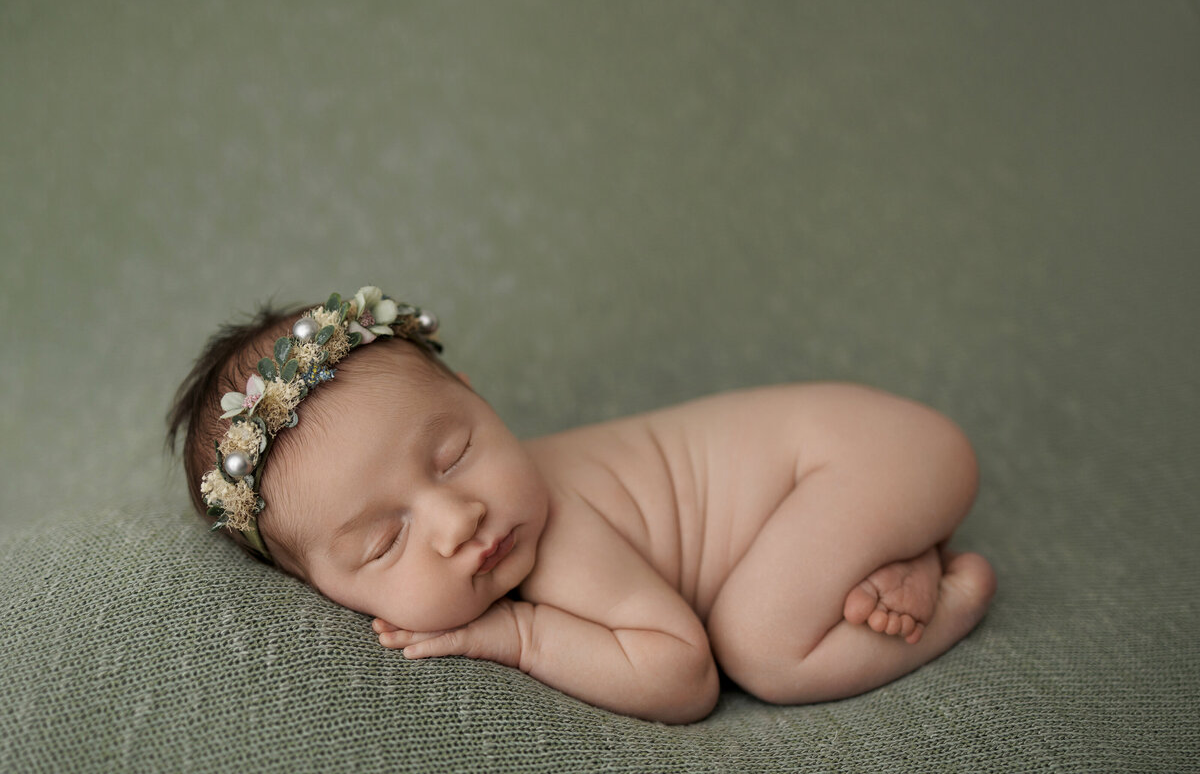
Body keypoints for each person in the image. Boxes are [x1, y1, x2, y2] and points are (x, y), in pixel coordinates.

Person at [167, 286, 996, 725]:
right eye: (386, 541)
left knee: (763, 644)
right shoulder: (496, 516)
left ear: (478, 398)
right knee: (776, 602)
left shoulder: (556, 526)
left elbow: (682, 674)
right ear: (318, 587)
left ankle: (953, 590)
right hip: (858, 468)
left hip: (864, 458)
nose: (460, 519)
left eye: (457, 454)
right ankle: (894, 552)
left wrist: (518, 634)